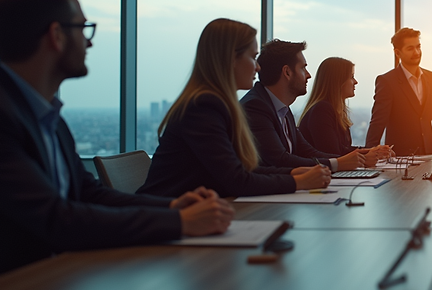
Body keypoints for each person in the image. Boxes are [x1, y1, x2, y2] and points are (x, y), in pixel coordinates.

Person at [0, 0, 234, 280]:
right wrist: (181, 223)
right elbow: (56, 219)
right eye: (83, 28)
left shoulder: (45, 116)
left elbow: (91, 194)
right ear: (56, 36)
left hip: (50, 284)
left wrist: (171, 207)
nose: (88, 43)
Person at [138, 20, 331, 198]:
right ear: (230, 58)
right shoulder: (203, 108)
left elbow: (244, 170)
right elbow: (238, 181)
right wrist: (296, 181)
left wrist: (291, 172)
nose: (257, 67)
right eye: (253, 57)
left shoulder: (217, 105)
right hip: (169, 221)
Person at [240, 40, 365, 172]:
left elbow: (306, 151)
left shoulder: (283, 109)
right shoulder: (256, 107)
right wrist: (337, 164)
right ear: (287, 72)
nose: (308, 75)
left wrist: (352, 160)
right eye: (303, 68)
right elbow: (280, 160)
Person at [365, 27, 432, 156]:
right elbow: (378, 121)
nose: (416, 52)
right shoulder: (387, 81)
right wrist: (368, 154)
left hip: (428, 154)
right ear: (398, 53)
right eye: (410, 48)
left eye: (418, 47)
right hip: (400, 158)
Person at [298, 56, 393, 166]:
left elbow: (342, 150)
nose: (356, 82)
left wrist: (374, 151)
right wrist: (365, 157)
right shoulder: (321, 110)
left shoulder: (334, 110)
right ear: (338, 81)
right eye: (351, 77)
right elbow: (333, 154)